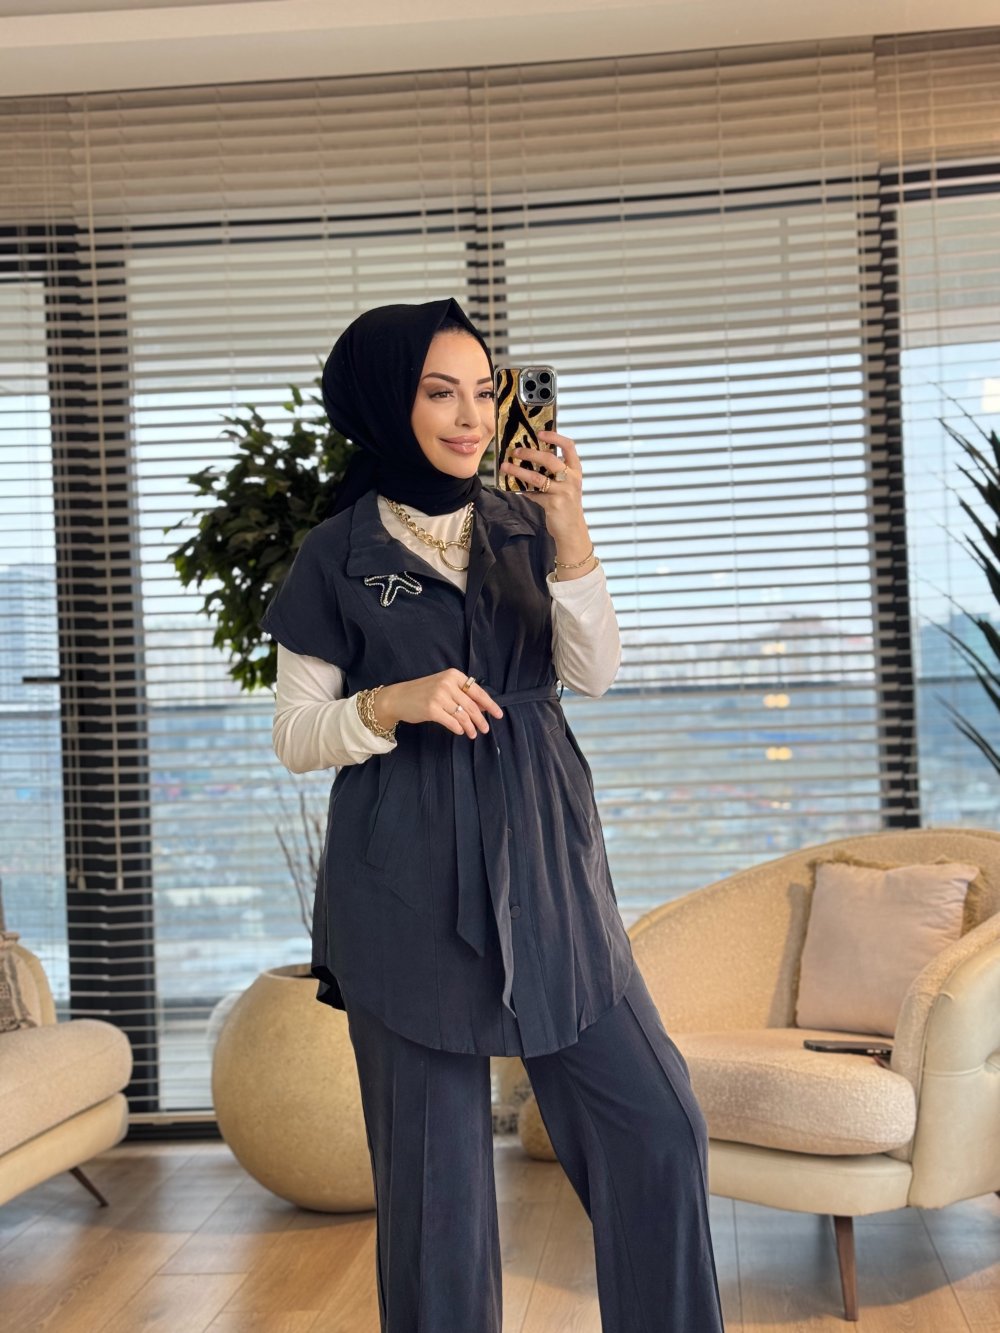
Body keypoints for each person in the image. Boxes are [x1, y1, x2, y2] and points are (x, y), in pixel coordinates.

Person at [261, 297, 726, 1333]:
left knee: (658, 1127)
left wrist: (571, 530)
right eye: (441, 392)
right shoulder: (334, 554)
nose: (471, 416)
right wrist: (392, 701)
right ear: (387, 402)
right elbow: (295, 733)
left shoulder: (526, 524)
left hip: (547, 866)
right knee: (437, 1205)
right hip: (402, 886)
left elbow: (592, 674)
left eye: (483, 390)